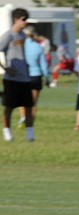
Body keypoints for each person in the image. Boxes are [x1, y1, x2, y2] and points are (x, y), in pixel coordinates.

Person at [0, 7, 34, 142]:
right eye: (23, 19)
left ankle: (30, 135)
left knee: (28, 107)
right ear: (16, 19)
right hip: (11, 79)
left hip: (24, 77)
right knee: (9, 107)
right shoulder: (8, 35)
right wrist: (5, 68)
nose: (25, 22)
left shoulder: (23, 36)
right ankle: (7, 132)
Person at [18, 26, 48, 130]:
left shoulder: (21, 46)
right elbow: (43, 66)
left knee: (22, 101)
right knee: (33, 104)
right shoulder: (38, 47)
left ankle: (23, 118)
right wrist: (47, 79)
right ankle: (30, 125)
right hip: (36, 76)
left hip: (24, 76)